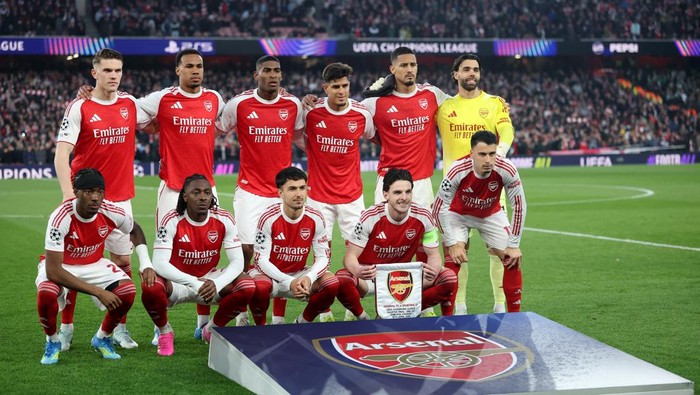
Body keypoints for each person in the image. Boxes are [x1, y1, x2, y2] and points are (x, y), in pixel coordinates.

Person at [79, 48, 225, 340]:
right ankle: (162, 327)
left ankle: (203, 324)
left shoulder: (215, 99)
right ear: (177, 70)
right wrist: (93, 95)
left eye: (199, 66)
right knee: (165, 254)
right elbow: (129, 111)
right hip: (172, 187)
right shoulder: (161, 99)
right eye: (189, 66)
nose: (196, 71)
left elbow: (226, 120)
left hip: (208, 187)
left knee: (207, 253)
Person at [55, 48, 150, 350]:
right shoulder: (79, 107)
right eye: (107, 71)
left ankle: (115, 330)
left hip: (120, 198)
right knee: (72, 265)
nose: (113, 76)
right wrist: (69, 197)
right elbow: (61, 154)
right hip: (84, 201)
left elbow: (164, 114)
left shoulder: (130, 104)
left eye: (117, 71)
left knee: (123, 261)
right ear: (94, 73)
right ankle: (66, 328)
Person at [217, 56, 304, 325]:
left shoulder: (293, 104)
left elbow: (300, 136)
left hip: (281, 193)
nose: (273, 75)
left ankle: (277, 317)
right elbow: (217, 129)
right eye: (267, 71)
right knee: (245, 250)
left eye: (277, 71)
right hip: (250, 190)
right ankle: (242, 310)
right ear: (256, 75)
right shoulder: (240, 104)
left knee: (280, 253)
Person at [36, 168, 153, 364]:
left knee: (128, 291)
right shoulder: (60, 217)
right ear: (76, 192)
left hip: (94, 263)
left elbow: (135, 229)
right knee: (46, 293)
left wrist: (146, 262)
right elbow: (53, 270)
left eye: (99, 191)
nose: (95, 197)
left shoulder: (110, 210)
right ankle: (52, 341)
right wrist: (98, 292)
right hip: (62, 266)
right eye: (89, 191)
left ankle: (102, 337)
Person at [436, 54, 516, 315]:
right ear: (455, 74)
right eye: (466, 69)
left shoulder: (494, 103)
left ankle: (500, 304)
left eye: (476, 70)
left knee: (498, 250)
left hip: (490, 190)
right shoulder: (443, 106)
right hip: (455, 191)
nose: (472, 73)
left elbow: (507, 131)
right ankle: (459, 305)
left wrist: (500, 153)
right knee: (457, 250)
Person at [141, 174, 255, 356]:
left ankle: (212, 329)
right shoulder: (171, 220)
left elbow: (237, 261)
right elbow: (159, 263)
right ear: (185, 197)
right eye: (196, 192)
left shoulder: (224, 218)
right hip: (178, 282)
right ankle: (164, 332)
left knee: (247, 285)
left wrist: (217, 283)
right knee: (151, 287)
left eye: (207, 193)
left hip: (210, 280)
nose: (203, 197)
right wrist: (194, 283)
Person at [300, 62, 375, 321]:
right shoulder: (311, 113)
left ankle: (350, 304)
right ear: (325, 88)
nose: (341, 91)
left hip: (351, 196)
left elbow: (372, 135)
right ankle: (325, 309)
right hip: (318, 195)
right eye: (335, 87)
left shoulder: (361, 114)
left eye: (345, 86)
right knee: (322, 253)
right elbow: (299, 137)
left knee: (358, 252)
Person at [336, 168, 457, 320]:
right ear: (386, 194)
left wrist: (433, 270)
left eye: (408, 192)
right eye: (397, 192)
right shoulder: (370, 217)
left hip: (403, 279)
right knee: (342, 278)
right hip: (370, 278)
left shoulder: (424, 216)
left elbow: (434, 255)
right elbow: (350, 257)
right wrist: (359, 271)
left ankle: (409, 311)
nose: (404, 198)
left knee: (449, 278)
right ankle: (363, 318)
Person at [432, 131, 526, 313]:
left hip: (491, 214)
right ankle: (449, 318)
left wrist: (514, 244)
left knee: (512, 258)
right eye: (482, 154)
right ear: (471, 153)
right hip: (458, 214)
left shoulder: (506, 168)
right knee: (453, 258)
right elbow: (438, 208)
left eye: (492, 153)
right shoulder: (457, 169)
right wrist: (452, 244)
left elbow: (520, 205)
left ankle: (515, 317)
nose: (488, 160)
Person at [248, 167, 339, 325]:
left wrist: (309, 278)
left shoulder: (316, 218)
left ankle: (303, 322)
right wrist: (287, 281)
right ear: (280, 193)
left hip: (299, 275)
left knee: (331, 283)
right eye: (292, 189)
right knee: (259, 286)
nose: (299, 194)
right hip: (271, 276)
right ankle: (261, 327)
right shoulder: (268, 218)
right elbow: (261, 260)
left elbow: (324, 257)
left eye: (302, 188)